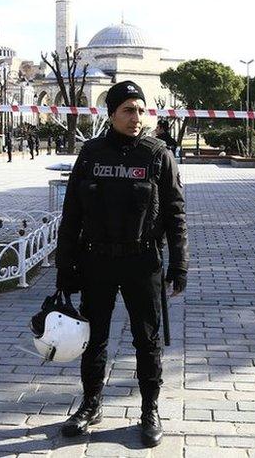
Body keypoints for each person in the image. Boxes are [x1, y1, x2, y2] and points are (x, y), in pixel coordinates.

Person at [55, 80, 189, 447]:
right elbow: (72, 213)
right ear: (111, 113)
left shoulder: (159, 154)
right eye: (128, 110)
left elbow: (176, 213)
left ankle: (149, 410)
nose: (136, 117)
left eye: (141, 110)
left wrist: (179, 265)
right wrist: (64, 266)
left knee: (147, 341)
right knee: (93, 338)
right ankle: (90, 405)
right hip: (95, 259)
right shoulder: (92, 154)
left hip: (142, 261)